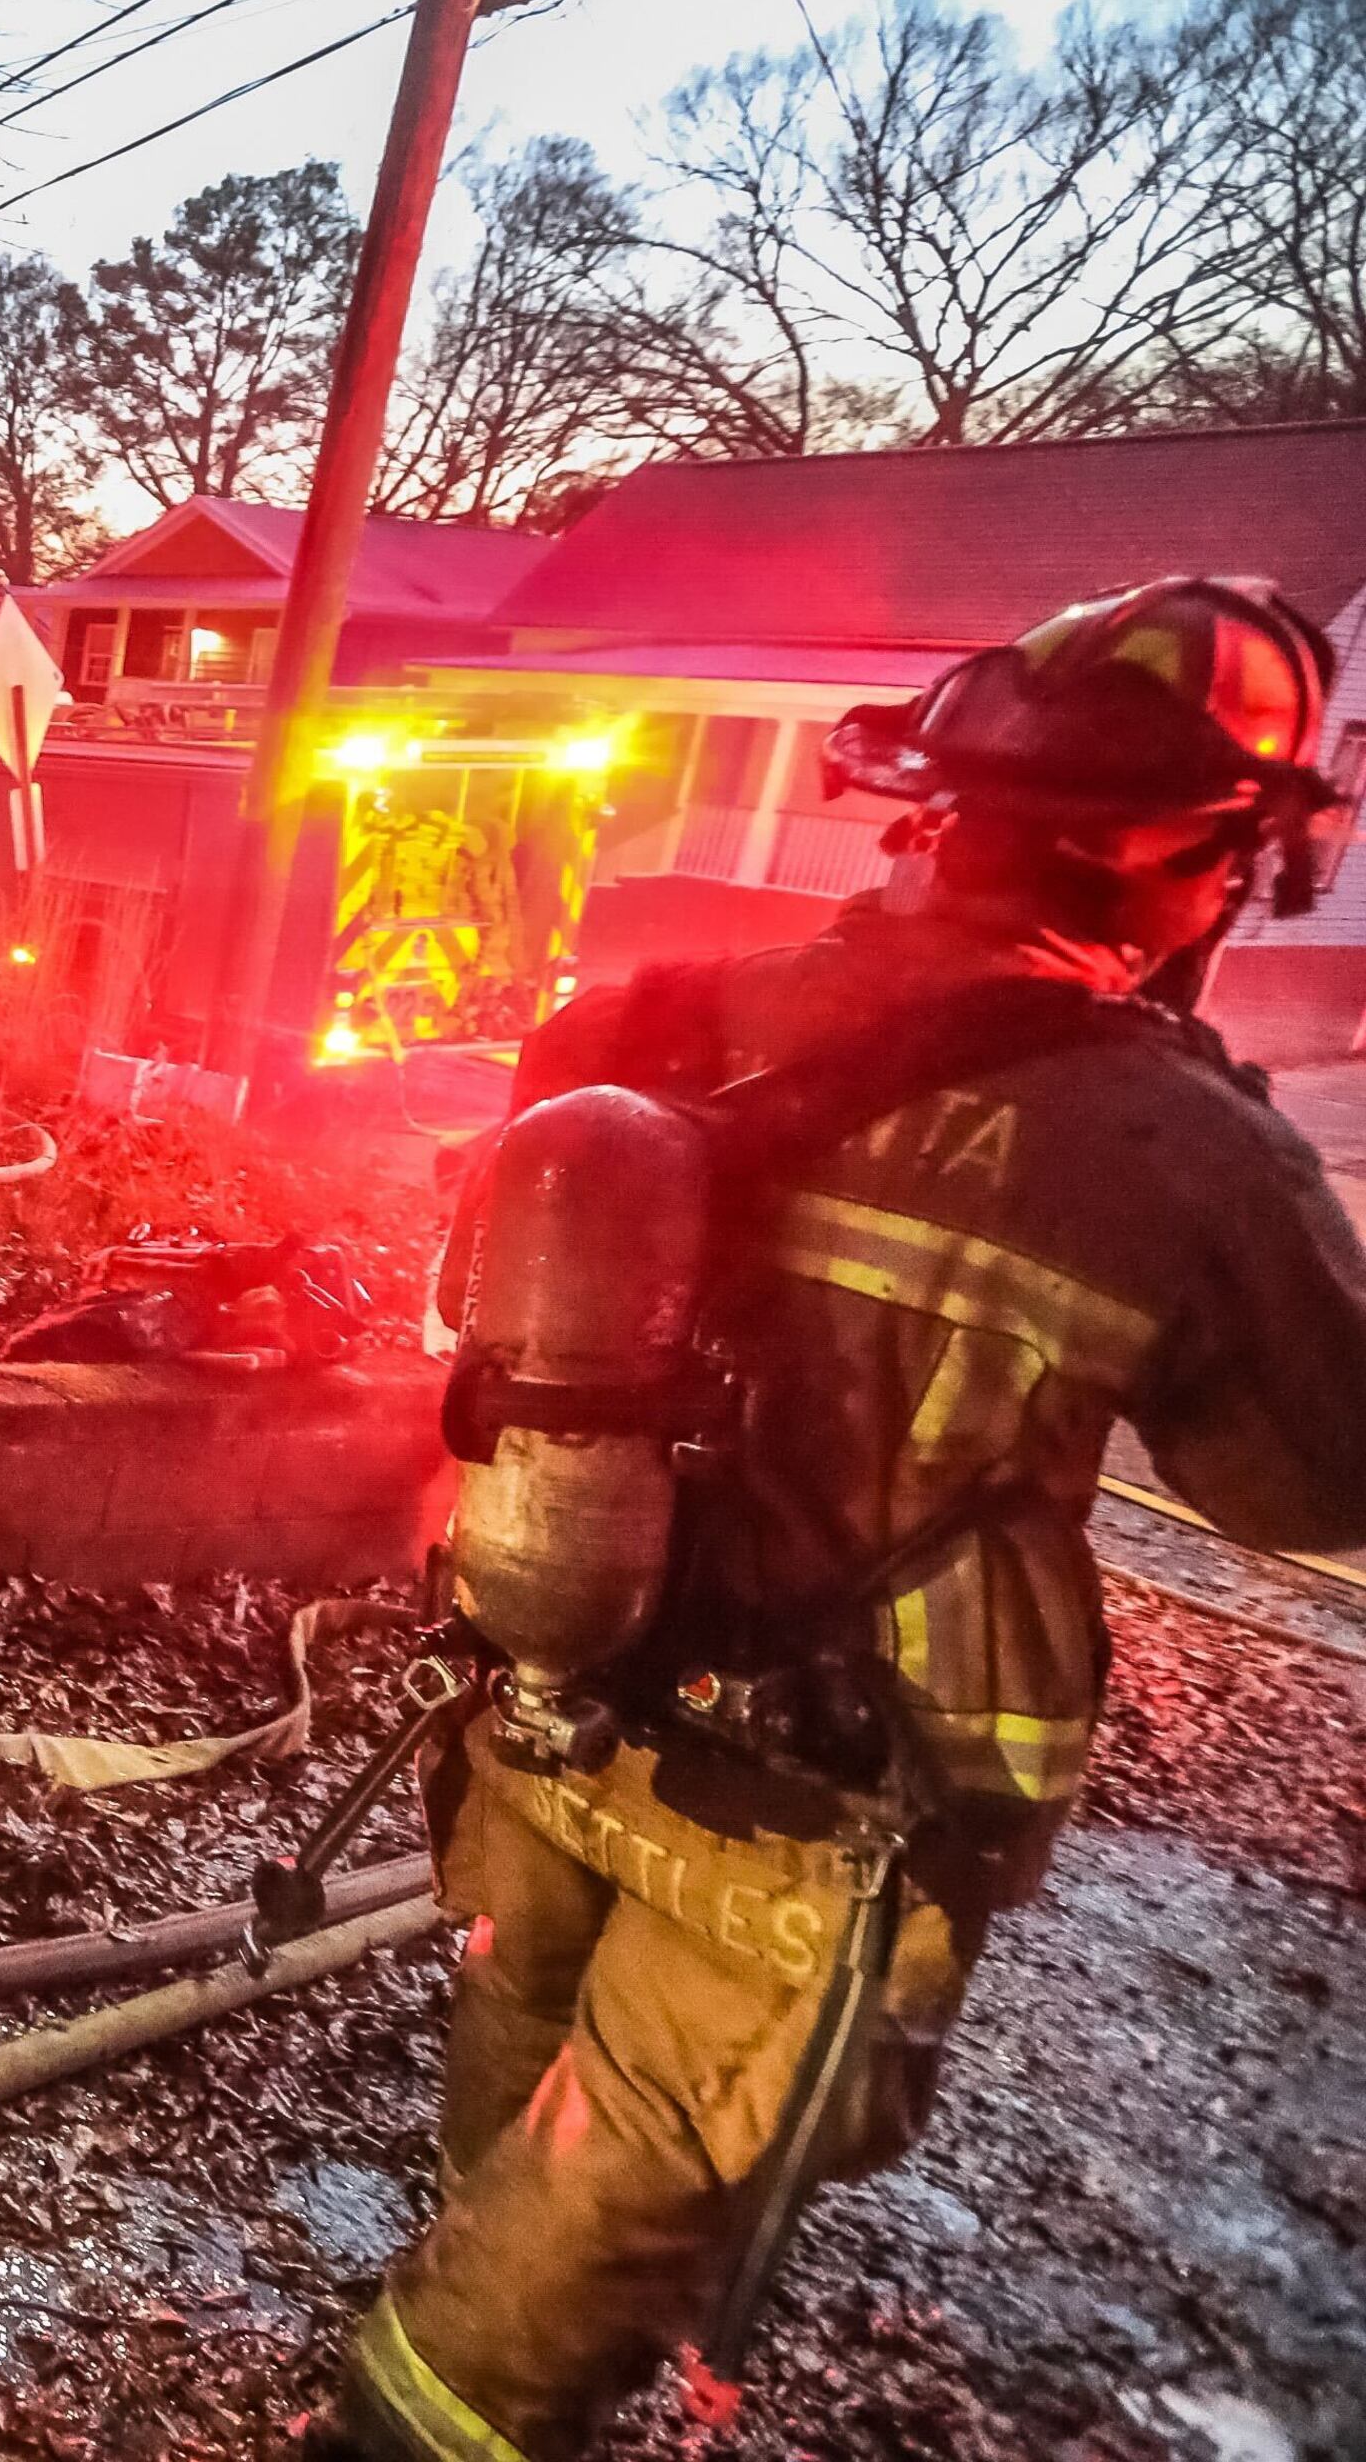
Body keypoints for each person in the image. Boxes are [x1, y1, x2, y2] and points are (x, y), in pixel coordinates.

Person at [307, 577, 1366, 2460]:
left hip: (553, 1691)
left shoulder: (664, 1016)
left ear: (935, 812)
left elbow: (473, 1288)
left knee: (523, 2083)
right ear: (1208, 864)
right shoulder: (1180, 1150)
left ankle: (463, 2299)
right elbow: (1319, 1487)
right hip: (823, 1810)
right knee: (591, 2236)